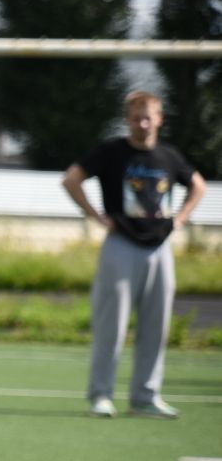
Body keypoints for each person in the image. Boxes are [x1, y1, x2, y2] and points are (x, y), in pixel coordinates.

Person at [63, 90, 207, 418]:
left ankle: (145, 396)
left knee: (156, 327)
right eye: (136, 118)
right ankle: (101, 395)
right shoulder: (111, 152)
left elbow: (198, 185)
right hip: (121, 245)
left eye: (148, 117)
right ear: (127, 120)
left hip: (159, 247)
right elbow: (71, 179)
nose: (142, 123)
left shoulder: (169, 156)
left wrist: (180, 218)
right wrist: (96, 216)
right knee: (111, 324)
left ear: (159, 119)